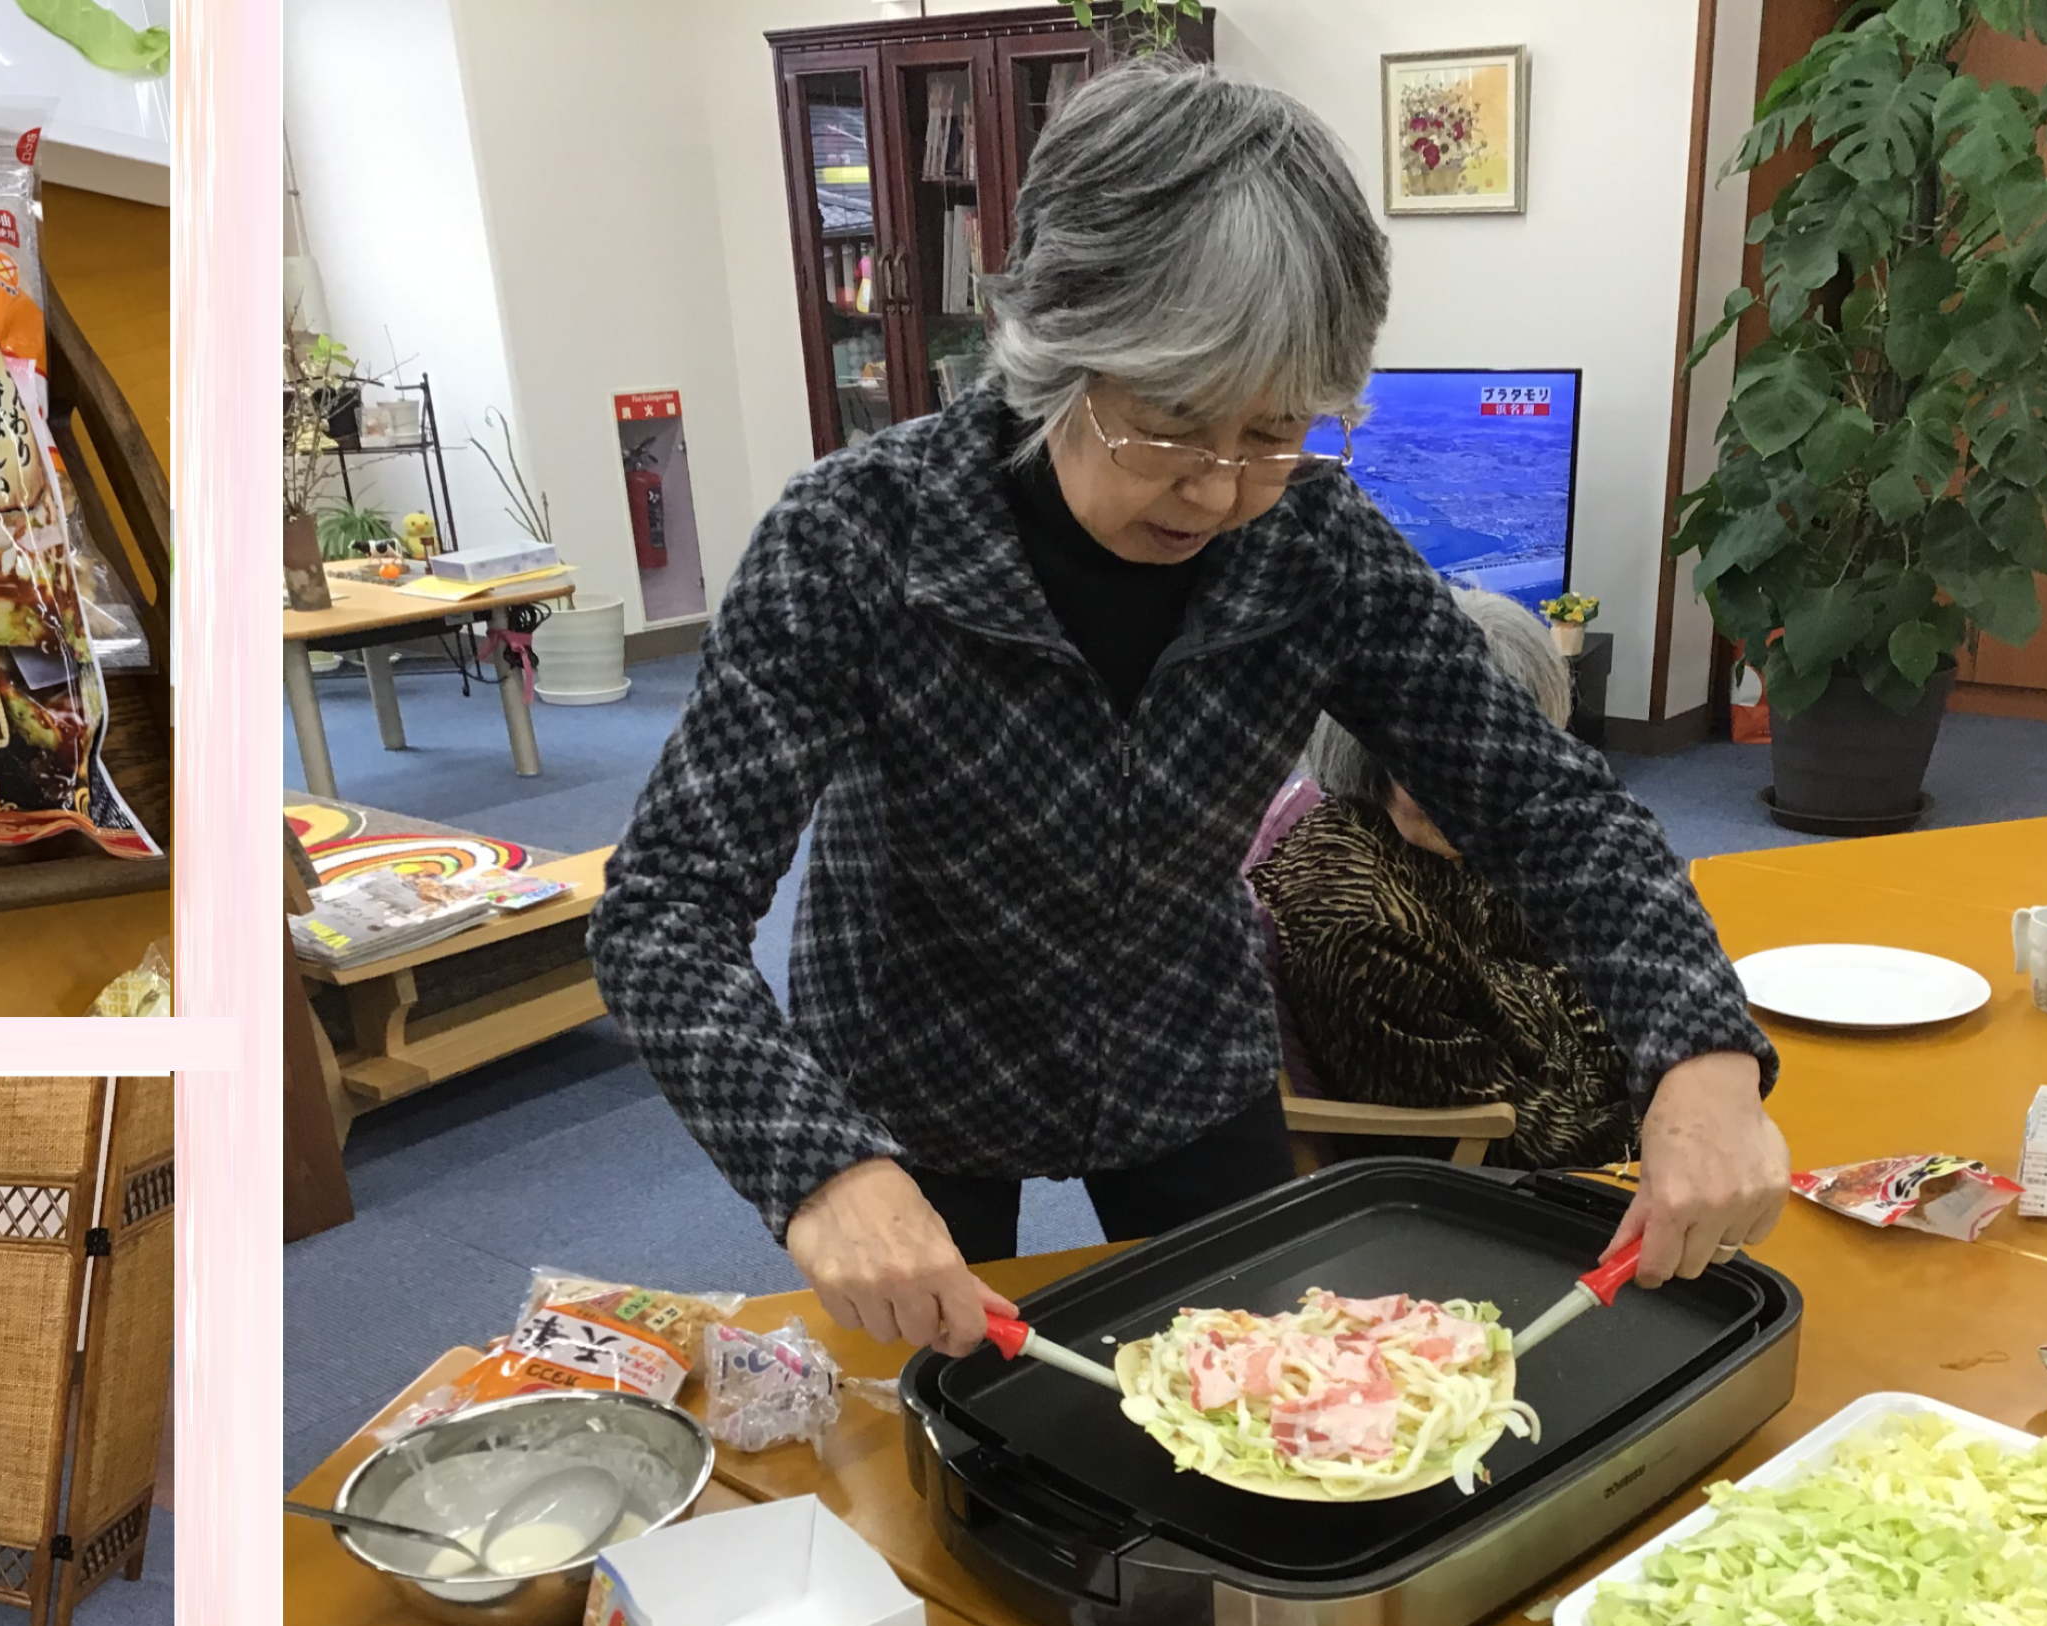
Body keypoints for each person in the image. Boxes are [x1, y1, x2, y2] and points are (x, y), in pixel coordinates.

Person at [589, 59, 1785, 1355]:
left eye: (1275, 434)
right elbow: (664, 908)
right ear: (1056, 353)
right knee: (923, 1423)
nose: (1218, 492)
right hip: (910, 1050)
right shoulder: (855, 539)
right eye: (1165, 425)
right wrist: (817, 1165)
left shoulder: (1316, 548)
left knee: (1267, 1393)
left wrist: (1702, 1053)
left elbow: (1551, 813)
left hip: (1181, 1039)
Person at [1256, 590, 1639, 1170]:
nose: (1479, 793)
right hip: (1498, 1181)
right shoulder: (1365, 928)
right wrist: (1660, 1115)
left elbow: (1576, 942)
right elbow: (1511, 1142)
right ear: (1371, 746)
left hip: (1595, 1084)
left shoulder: (1439, 838)